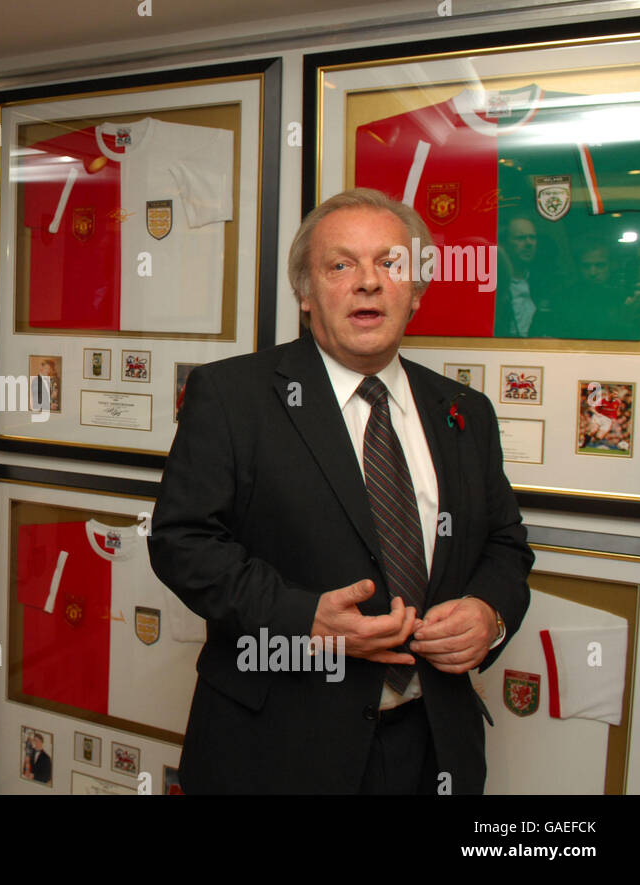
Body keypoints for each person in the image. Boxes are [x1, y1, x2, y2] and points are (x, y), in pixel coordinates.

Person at [148, 188, 532, 794]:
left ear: (418, 290)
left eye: (390, 263)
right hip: (277, 748)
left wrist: (490, 614)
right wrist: (302, 619)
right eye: (341, 265)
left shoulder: (466, 412)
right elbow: (181, 543)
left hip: (434, 743)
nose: (369, 282)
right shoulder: (232, 397)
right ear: (306, 293)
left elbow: (506, 545)